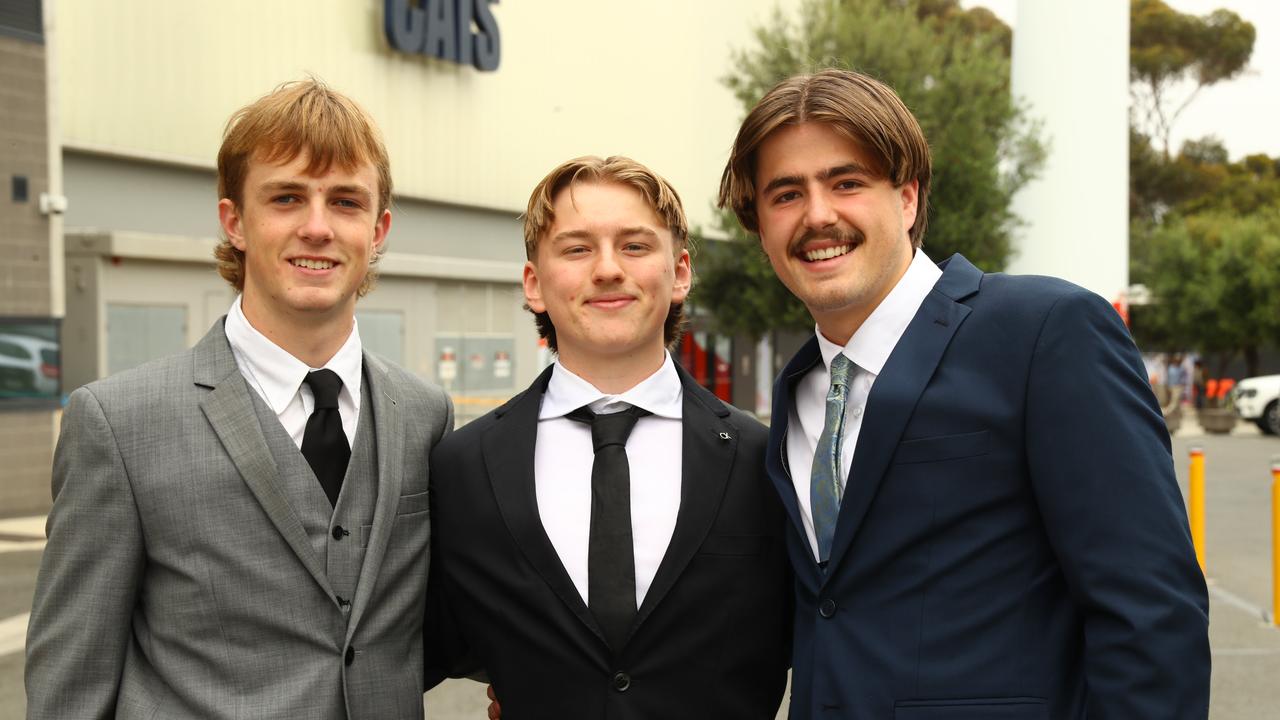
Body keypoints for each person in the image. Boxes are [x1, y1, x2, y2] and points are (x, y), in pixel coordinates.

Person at [716, 69, 1210, 719]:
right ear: (760, 226)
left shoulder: (1045, 332)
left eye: (847, 182)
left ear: (909, 198)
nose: (818, 215)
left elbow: (1151, 616)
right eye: (786, 194)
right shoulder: (799, 390)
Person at [25, 79, 453, 719]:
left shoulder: (425, 415)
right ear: (234, 221)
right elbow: (71, 682)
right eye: (286, 198)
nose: (317, 227)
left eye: (345, 202)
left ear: (378, 229)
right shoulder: (117, 423)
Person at [426, 156, 791, 718]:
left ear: (681, 272)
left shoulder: (764, 459)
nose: (607, 269)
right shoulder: (462, 467)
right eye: (576, 248)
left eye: (635, 246)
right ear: (534, 284)